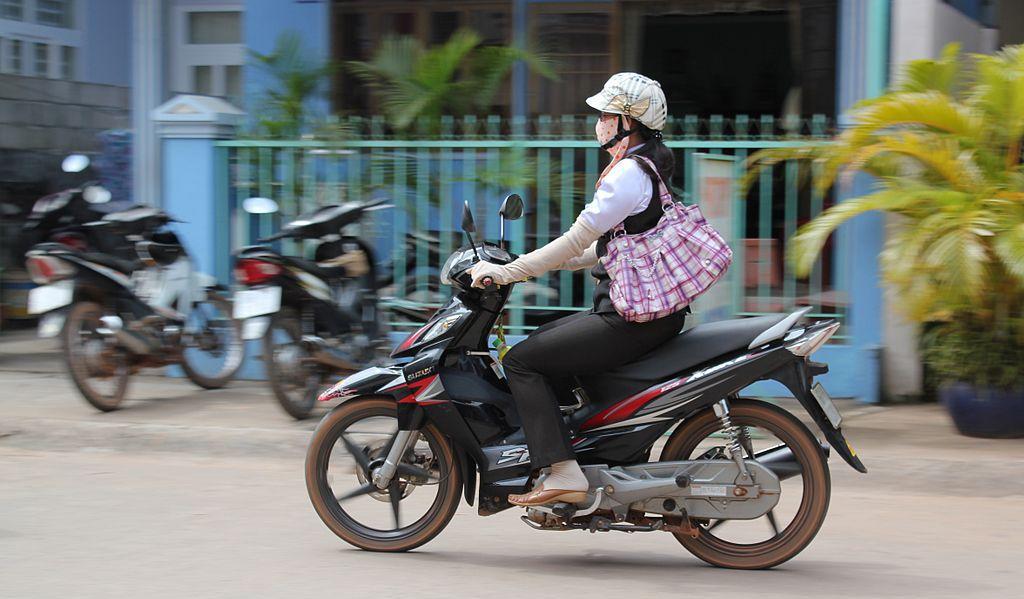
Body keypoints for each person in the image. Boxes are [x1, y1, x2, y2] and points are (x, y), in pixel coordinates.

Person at [468, 73, 688, 507]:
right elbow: (611, 246)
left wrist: (514, 271)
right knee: (551, 336)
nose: (599, 123)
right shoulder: (650, 163)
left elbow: (575, 238)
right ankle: (585, 450)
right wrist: (542, 262)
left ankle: (565, 473)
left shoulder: (627, 172)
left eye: (607, 114)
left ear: (629, 121)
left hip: (628, 318)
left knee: (524, 361)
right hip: (649, 315)